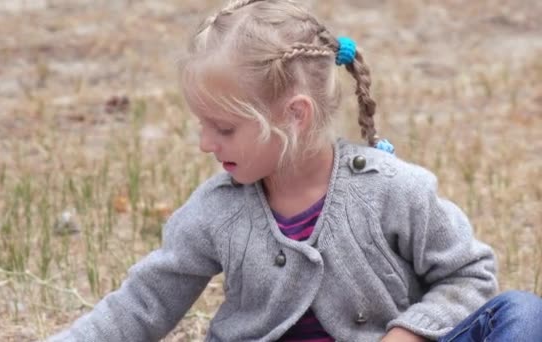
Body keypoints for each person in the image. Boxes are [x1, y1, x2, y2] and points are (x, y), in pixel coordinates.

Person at [48, 1, 542, 341]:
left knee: (523, 314)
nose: (204, 144)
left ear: (294, 115)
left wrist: (409, 331)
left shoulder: (394, 189)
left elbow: (470, 275)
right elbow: (141, 304)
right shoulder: (217, 211)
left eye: (222, 128)